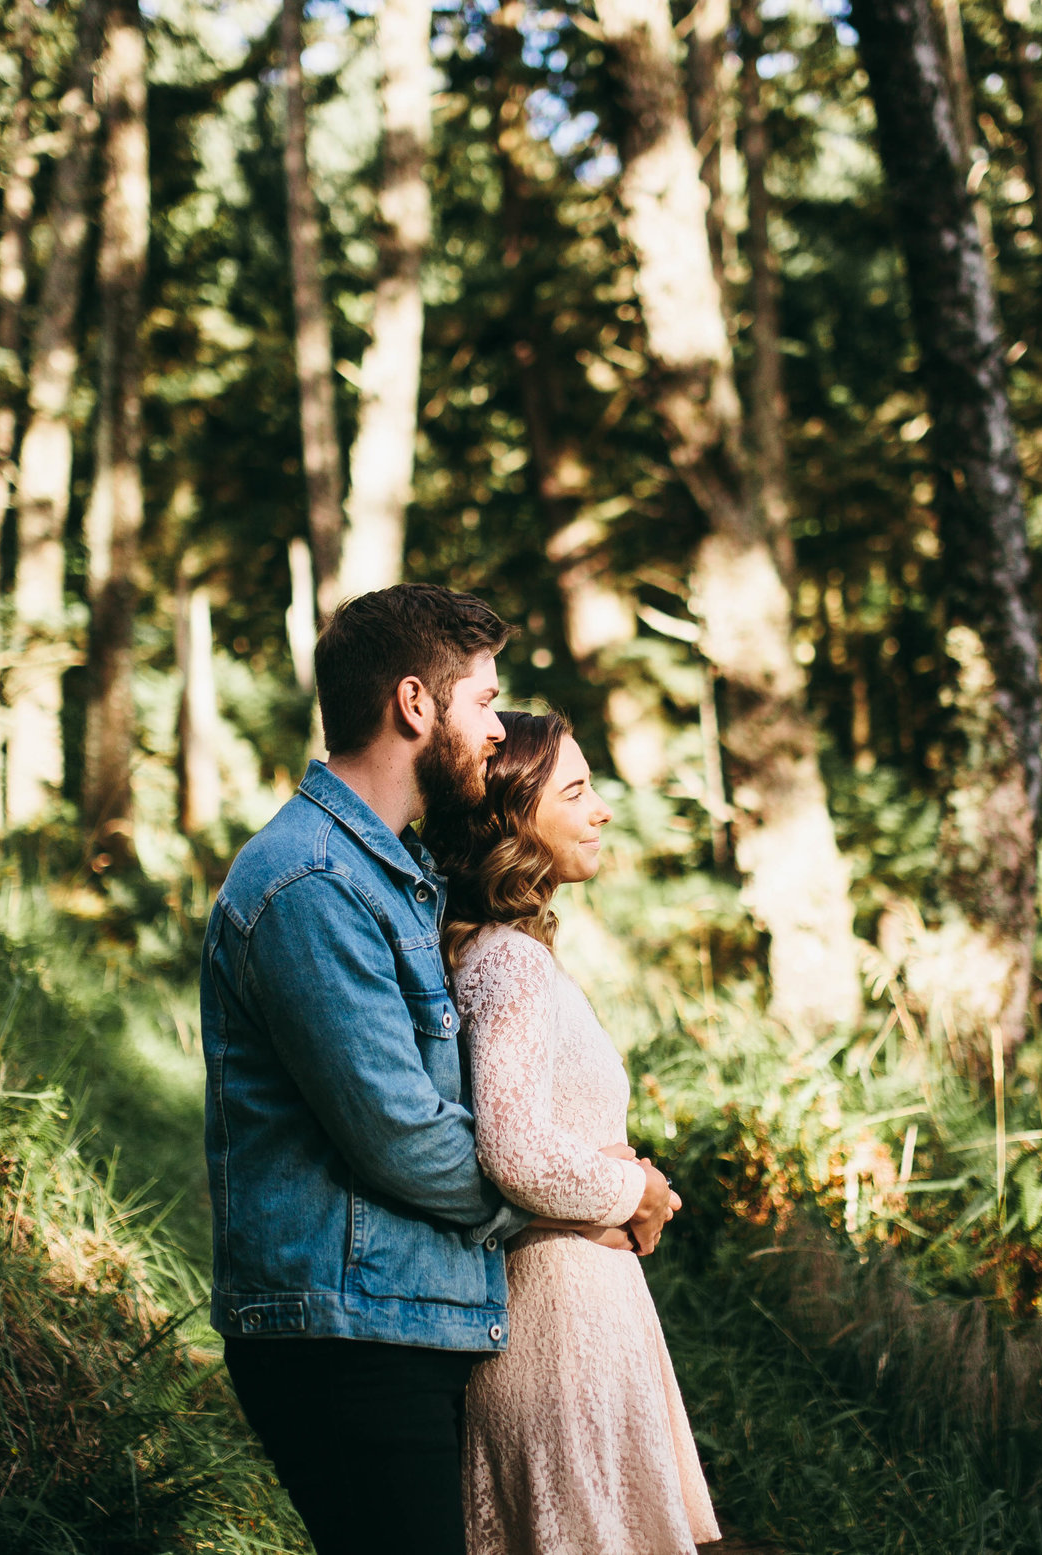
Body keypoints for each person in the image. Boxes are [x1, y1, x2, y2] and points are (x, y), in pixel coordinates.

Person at [199, 585, 677, 1555]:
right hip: (341, 1337)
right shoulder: (310, 883)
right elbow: (403, 1136)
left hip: (403, 1319)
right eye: (484, 699)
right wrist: (583, 1197)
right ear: (416, 704)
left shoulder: (388, 875)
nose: (497, 727)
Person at [429, 711, 721, 1554]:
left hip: (572, 1310)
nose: (600, 810)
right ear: (516, 819)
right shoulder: (509, 962)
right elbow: (514, 1148)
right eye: (576, 790)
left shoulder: (500, 950)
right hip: (558, 1330)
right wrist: (641, 1189)